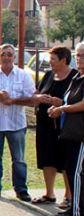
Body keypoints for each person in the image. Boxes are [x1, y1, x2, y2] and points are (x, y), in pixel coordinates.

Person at [0, 43, 36, 201]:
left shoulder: (23, 76)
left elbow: (32, 99)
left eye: (9, 54)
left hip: (16, 124)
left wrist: (13, 100)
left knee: (18, 159)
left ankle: (21, 189)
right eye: (3, 54)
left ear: (14, 57)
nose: (6, 57)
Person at [31, 46, 75, 207]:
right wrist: (40, 97)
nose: (50, 62)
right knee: (46, 156)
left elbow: (77, 101)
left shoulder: (74, 77)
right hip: (45, 123)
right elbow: (34, 94)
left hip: (65, 125)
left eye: (53, 59)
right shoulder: (49, 75)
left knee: (65, 159)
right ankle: (49, 194)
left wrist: (61, 103)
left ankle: (68, 196)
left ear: (64, 60)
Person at [48, 43, 84, 216]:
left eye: (82, 56)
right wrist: (59, 106)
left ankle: (77, 210)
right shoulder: (77, 77)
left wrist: (62, 109)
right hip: (71, 131)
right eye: (77, 55)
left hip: (81, 134)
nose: (79, 59)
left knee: (76, 172)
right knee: (71, 170)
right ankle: (75, 206)